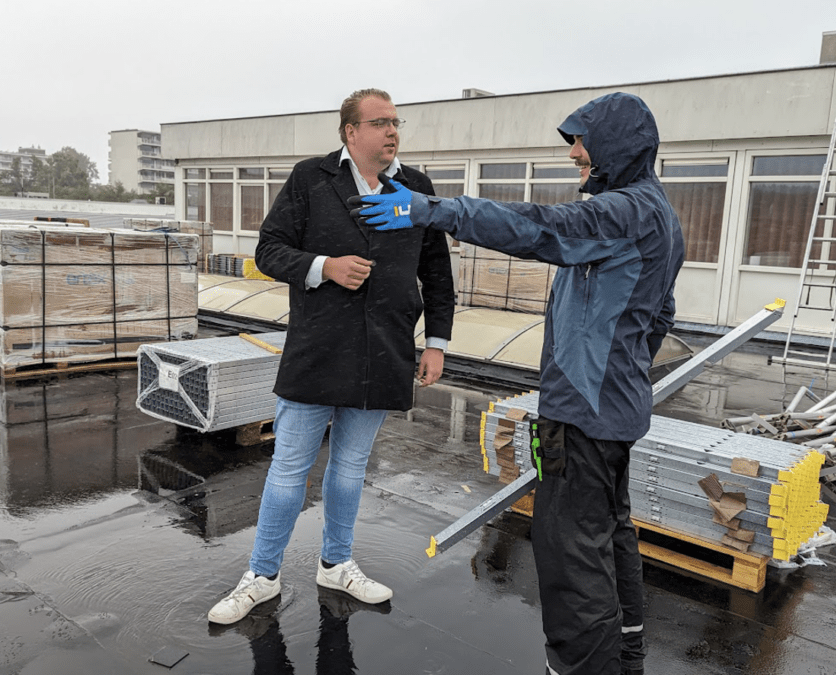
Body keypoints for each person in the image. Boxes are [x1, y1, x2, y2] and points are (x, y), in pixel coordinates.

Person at [349, 92, 684, 675]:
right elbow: (660, 316)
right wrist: (622, 368)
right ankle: (625, 655)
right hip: (613, 410)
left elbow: (536, 227)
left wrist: (432, 210)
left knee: (572, 555)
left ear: (618, 146)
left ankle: (582, 666)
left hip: (584, 415)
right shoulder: (656, 213)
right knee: (609, 535)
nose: (576, 153)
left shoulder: (624, 211)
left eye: (583, 141)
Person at [206, 88, 455, 625]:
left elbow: (436, 271)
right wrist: (324, 266)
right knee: (288, 468)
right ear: (350, 132)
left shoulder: (416, 189)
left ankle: (336, 563)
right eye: (380, 122)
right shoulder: (310, 179)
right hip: (319, 346)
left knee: (349, 469)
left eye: (396, 122)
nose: (392, 132)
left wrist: (436, 342)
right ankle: (262, 575)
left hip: (385, 347)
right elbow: (269, 250)